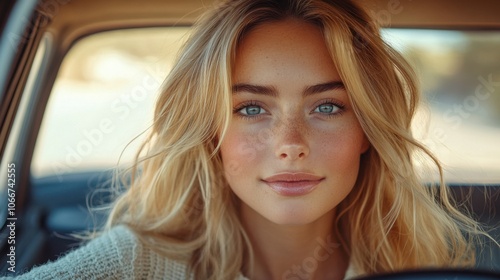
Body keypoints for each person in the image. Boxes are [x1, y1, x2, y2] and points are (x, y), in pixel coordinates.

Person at [3, 0, 491, 279]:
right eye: (251, 108)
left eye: (327, 106)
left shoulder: (422, 268)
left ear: (367, 131)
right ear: (210, 132)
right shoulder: (136, 263)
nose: (290, 143)